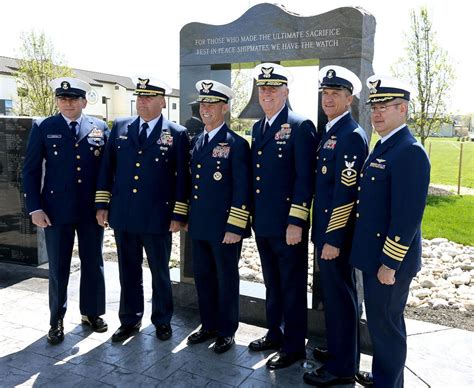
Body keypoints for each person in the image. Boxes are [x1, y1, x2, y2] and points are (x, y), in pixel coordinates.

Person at [349, 75, 430, 387]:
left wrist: (390, 264)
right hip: (374, 257)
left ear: (403, 110)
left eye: (385, 106)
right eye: (374, 106)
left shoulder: (409, 151)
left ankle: (388, 384)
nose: (377, 112)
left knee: (387, 326)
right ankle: (386, 377)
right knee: (381, 324)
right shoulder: (385, 146)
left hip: (389, 262)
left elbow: (407, 217)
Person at [95, 77, 190, 342]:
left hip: (158, 216)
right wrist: (102, 204)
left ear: (163, 101)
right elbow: (107, 168)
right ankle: (129, 319)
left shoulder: (177, 133)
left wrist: (179, 213)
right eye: (139, 97)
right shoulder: (121, 127)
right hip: (124, 214)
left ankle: (162, 320)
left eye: (149, 97)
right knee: (128, 270)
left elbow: (183, 177)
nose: (143, 102)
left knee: (160, 271)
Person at [22, 77, 109, 345]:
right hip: (55, 211)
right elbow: (30, 170)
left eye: (73, 99)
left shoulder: (100, 127)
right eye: (62, 98)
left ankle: (91, 313)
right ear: (58, 101)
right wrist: (34, 208)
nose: (67, 103)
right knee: (58, 267)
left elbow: (107, 172)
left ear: (84, 101)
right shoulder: (44, 127)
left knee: (93, 263)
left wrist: (103, 206)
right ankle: (56, 320)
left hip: (90, 211)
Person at [247, 63, 318, 369]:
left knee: (291, 285)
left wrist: (296, 222)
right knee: (272, 284)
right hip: (264, 223)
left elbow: (305, 179)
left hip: (288, 226)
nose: (267, 95)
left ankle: (294, 346)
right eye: (263, 90)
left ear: (286, 92)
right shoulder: (258, 127)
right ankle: (275, 332)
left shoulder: (300, 125)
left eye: (273, 89)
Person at [303, 66, 368, 386]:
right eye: (325, 93)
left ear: (350, 98)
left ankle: (342, 369)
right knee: (333, 297)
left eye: (335, 94)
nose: (328, 99)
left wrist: (333, 239)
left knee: (341, 300)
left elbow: (346, 194)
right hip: (326, 232)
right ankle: (340, 352)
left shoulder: (351, 136)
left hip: (336, 236)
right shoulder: (331, 131)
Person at [185, 80, 251, 353]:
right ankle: (209, 324)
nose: (205, 109)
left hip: (225, 227)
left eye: (211, 104)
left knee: (226, 278)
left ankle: (227, 330)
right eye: (202, 104)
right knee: (203, 277)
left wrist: (236, 226)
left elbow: (242, 188)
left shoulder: (235, 143)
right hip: (199, 225)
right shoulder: (198, 140)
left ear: (224, 107)